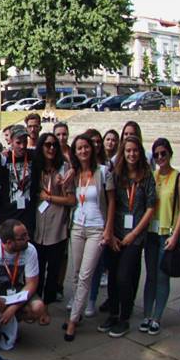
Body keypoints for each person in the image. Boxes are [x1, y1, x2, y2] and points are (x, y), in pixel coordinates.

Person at [100, 135, 156, 339]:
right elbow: (110, 203)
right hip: (115, 234)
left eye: (135, 151)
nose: (132, 154)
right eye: (128, 151)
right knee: (113, 276)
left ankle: (124, 317)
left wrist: (134, 234)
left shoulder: (146, 176)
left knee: (124, 276)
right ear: (122, 153)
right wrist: (111, 234)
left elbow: (150, 208)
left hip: (135, 236)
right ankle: (113, 314)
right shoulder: (116, 175)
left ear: (140, 153)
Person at [63, 134, 116, 342]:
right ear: (75, 153)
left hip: (96, 228)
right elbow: (70, 197)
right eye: (79, 148)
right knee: (76, 274)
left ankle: (74, 320)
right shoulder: (75, 174)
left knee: (86, 274)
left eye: (86, 147)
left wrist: (108, 229)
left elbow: (111, 202)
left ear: (92, 149)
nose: (83, 151)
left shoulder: (103, 172)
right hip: (77, 227)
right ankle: (77, 311)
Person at [142, 138, 180, 335]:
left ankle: (156, 317)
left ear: (170, 154)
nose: (160, 157)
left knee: (162, 276)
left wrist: (176, 235)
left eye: (164, 154)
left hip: (166, 233)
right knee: (150, 275)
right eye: (157, 154)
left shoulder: (179, 178)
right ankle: (146, 314)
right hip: (151, 232)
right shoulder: (152, 176)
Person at [32, 131, 75, 305]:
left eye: (54, 145)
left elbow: (71, 200)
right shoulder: (36, 168)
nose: (51, 148)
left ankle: (48, 300)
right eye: (47, 145)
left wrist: (50, 197)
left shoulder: (64, 169)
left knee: (54, 265)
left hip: (57, 225)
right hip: (38, 224)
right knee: (38, 265)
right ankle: (36, 299)